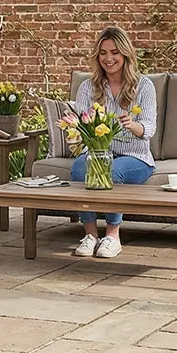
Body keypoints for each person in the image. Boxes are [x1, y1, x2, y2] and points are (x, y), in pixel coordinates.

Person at [69, 26, 159, 259]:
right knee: (80, 167)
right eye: (103, 53)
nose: (108, 59)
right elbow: (82, 123)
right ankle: (90, 235)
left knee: (109, 170)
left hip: (135, 157)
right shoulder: (88, 87)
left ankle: (112, 236)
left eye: (115, 52)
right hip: (98, 153)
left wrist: (132, 124)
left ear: (126, 54)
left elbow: (149, 127)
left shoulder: (144, 86)